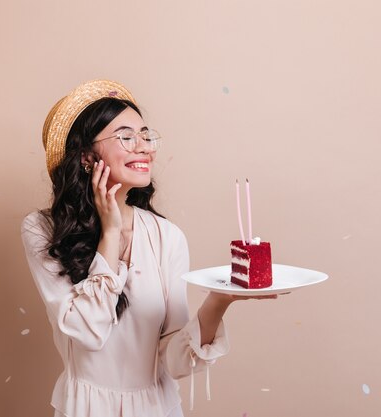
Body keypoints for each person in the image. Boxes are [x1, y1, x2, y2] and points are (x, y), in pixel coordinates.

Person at [21, 80, 275, 417]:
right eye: (126, 137)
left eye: (146, 135)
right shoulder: (43, 230)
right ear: (86, 156)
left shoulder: (166, 236)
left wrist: (219, 300)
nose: (145, 147)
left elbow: (174, 360)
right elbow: (87, 332)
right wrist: (110, 233)